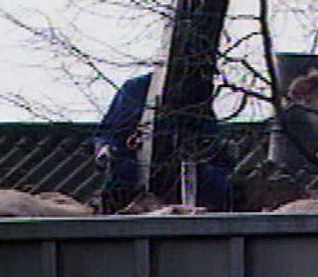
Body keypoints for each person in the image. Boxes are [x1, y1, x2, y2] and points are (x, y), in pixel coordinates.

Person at [94, 73, 234, 213]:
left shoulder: (196, 95)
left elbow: (211, 145)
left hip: (192, 186)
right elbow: (110, 133)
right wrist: (106, 150)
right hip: (134, 184)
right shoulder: (137, 89)